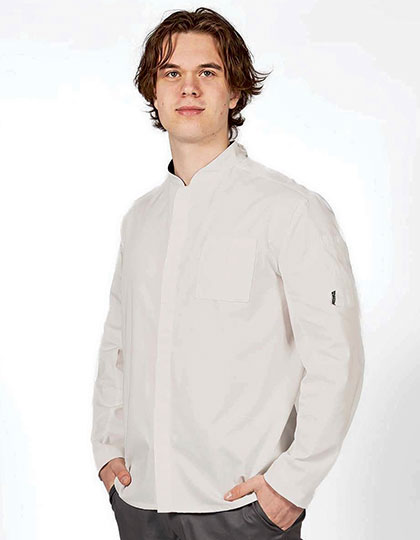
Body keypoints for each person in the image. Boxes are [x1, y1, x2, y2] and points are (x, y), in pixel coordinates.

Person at [90, 7, 365, 540]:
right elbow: (117, 346)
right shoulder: (140, 219)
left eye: (208, 72)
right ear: (153, 92)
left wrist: (291, 486)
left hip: (242, 509)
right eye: (171, 72)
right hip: (140, 502)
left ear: (235, 90)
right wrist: (108, 450)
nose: (188, 87)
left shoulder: (290, 210)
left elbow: (337, 357)